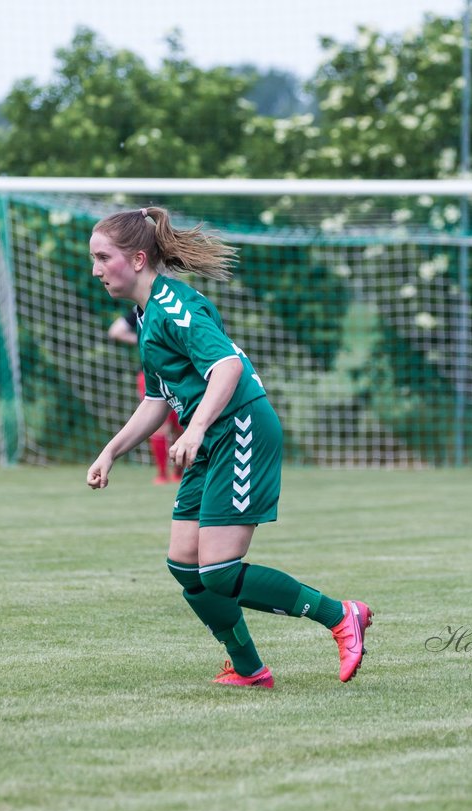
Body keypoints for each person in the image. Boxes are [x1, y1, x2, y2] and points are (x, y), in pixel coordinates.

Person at [86, 206, 372, 688]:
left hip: (241, 429)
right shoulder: (146, 313)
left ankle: (342, 616)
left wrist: (194, 430)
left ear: (137, 259)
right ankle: (249, 668)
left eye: (102, 257)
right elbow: (156, 399)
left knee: (217, 570)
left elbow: (228, 368)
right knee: (185, 565)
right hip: (212, 436)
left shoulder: (175, 306)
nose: (95, 269)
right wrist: (111, 450)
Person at [107, 306, 183, 484]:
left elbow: (116, 331)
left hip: (166, 373)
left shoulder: (150, 305)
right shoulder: (151, 306)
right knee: (170, 424)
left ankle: (167, 474)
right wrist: (144, 340)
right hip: (164, 373)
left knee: (176, 424)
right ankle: (168, 474)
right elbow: (115, 331)